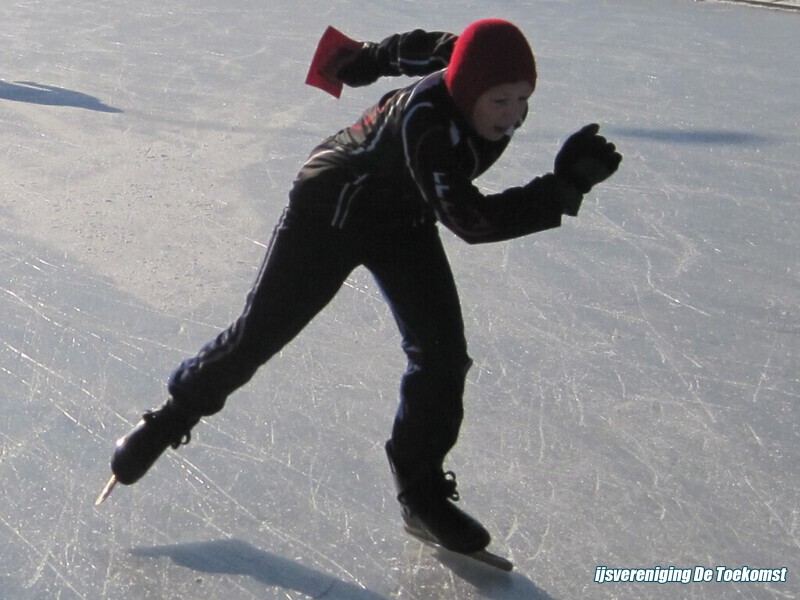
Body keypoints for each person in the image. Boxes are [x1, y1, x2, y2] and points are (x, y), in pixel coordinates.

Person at [107, 19, 621, 554]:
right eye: (499, 102)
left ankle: (421, 495)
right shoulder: (428, 128)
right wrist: (561, 188)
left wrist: (367, 60)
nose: (512, 115)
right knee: (259, 335)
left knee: (442, 356)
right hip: (330, 209)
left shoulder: (465, 65)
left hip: (402, 217)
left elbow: (420, 48)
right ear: (468, 89)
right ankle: (171, 417)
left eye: (522, 99)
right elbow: (472, 221)